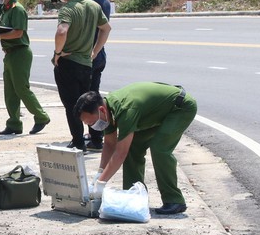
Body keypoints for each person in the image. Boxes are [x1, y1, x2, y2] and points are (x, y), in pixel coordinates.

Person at [75, 83, 198, 215]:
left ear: (101, 110)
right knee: (133, 147)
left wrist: (101, 183)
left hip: (179, 108)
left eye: (92, 123)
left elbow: (120, 153)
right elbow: (110, 144)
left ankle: (174, 200)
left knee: (159, 148)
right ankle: (134, 197)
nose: (93, 127)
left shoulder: (126, 110)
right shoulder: (109, 111)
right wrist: (99, 174)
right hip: (155, 113)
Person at [0, 0, 51, 136]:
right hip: (10, 54)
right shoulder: (6, 9)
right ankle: (14, 123)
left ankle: (41, 116)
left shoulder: (17, 9)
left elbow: (18, 32)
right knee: (10, 91)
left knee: (21, 88)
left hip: (20, 52)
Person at [52, 0, 110, 151]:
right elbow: (106, 29)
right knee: (88, 102)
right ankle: (96, 138)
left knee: (72, 105)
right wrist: (94, 52)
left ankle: (78, 142)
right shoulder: (93, 6)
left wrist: (57, 53)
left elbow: (62, 31)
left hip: (68, 63)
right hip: (86, 64)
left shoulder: (68, 8)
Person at [82, 0, 112, 151]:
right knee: (94, 94)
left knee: (89, 99)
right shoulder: (104, 2)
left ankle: (96, 137)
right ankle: (96, 133)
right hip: (99, 55)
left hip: (91, 55)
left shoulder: (93, 4)